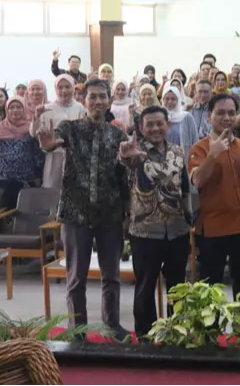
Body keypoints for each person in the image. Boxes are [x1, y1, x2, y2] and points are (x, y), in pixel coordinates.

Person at [36, 79, 129, 338]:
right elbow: (53, 142)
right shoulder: (70, 128)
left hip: (110, 214)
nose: (98, 101)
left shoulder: (117, 134)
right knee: (76, 278)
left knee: (112, 276)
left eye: (102, 96)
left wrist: (127, 213)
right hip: (75, 213)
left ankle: (111, 325)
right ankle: (77, 331)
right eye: (93, 97)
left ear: (109, 100)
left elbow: (123, 176)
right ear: (84, 100)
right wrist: (47, 144)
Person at [118, 106, 192, 338]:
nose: (155, 128)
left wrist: (189, 218)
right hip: (145, 232)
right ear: (141, 128)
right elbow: (125, 163)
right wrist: (125, 157)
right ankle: (145, 335)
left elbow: (185, 187)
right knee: (145, 286)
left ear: (167, 124)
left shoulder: (178, 151)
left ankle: (176, 332)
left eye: (159, 123)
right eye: (149, 124)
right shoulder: (135, 152)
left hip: (177, 230)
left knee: (178, 287)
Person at [188, 93, 240, 300]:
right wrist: (213, 154)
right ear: (209, 116)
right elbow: (197, 181)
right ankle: (211, 323)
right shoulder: (200, 147)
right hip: (214, 228)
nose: (227, 118)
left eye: (231, 113)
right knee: (211, 285)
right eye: (221, 113)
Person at [32, 74, 85, 190]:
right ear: (55, 89)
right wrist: (36, 118)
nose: (64, 90)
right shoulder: (47, 108)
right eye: (60, 87)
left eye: (67, 87)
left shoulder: (79, 107)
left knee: (72, 190)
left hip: (74, 156)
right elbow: (33, 133)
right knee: (52, 190)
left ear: (73, 88)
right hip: (54, 156)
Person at [0, 97, 44, 209]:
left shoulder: (31, 128)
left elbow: (37, 154)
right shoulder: (1, 127)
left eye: (19, 107)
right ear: (6, 110)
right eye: (11, 107)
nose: (15, 110)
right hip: (3, 181)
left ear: (24, 109)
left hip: (26, 181)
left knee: (25, 213)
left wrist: (38, 176)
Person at [162, 87, 199, 160]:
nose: (170, 101)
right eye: (167, 99)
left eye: (173, 99)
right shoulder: (160, 117)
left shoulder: (186, 116)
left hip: (183, 157)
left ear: (178, 100)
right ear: (163, 100)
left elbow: (195, 139)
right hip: (164, 158)